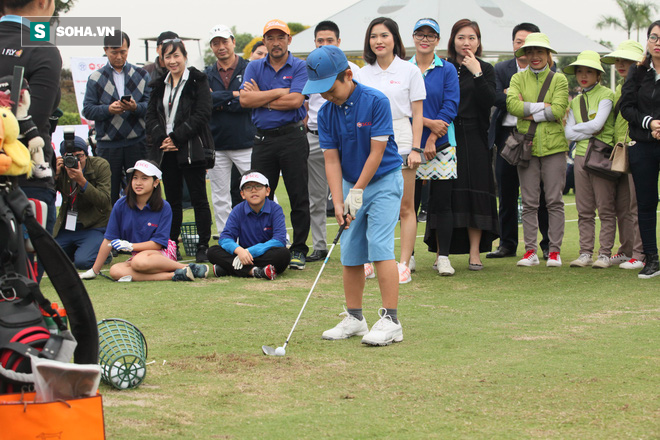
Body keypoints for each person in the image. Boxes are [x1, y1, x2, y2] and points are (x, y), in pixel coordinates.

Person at [303, 45, 404, 346]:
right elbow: (331, 159)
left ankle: (391, 321)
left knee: (379, 246)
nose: (327, 96)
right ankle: (355, 317)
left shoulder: (376, 101)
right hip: (349, 183)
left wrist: (356, 192)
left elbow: (377, 152)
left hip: (384, 180)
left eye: (331, 89)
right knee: (350, 250)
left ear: (347, 75)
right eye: (321, 92)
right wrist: (338, 200)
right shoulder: (325, 113)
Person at [355, 17, 425, 283]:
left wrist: (416, 148)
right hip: (370, 140)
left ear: (395, 38)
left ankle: (403, 263)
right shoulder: (362, 73)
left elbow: (417, 113)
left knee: (406, 206)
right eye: (374, 36)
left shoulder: (410, 71)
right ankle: (368, 260)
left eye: (384, 35)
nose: (379, 41)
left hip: (403, 138)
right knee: (366, 204)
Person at [240, 19, 311, 270]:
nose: (276, 42)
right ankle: (262, 245)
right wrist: (279, 91)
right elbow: (245, 100)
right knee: (256, 194)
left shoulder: (301, 66)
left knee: (298, 195)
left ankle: (299, 249)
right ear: (265, 41)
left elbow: (295, 101)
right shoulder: (254, 66)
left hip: (292, 137)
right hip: (263, 139)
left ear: (289, 40)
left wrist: (263, 98)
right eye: (270, 38)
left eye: (280, 37)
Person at [80, 160, 208, 281]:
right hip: (138, 256)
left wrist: (130, 246)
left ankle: (186, 268)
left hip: (160, 253)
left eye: (144, 178)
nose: (138, 182)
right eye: (135, 178)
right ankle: (174, 275)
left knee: (138, 262)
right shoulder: (120, 205)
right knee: (115, 271)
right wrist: (94, 270)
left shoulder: (164, 207)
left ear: (156, 182)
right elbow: (108, 239)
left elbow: (158, 244)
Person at [487, 22, 551, 260]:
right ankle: (507, 244)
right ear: (513, 44)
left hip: (537, 134)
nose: (524, 48)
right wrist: (525, 102)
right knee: (506, 191)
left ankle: (547, 244)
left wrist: (514, 98)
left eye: (529, 43)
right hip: (507, 136)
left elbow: (552, 104)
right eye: (519, 42)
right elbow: (495, 97)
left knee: (541, 192)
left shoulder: (549, 74)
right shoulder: (501, 68)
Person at [145, 39, 213, 263]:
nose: (172, 61)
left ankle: (203, 245)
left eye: (177, 56)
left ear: (185, 56)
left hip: (191, 148)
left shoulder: (197, 80)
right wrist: (162, 138)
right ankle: (171, 245)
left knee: (198, 199)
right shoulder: (157, 84)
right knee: (172, 200)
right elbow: (151, 116)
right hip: (165, 150)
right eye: (168, 56)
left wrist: (176, 138)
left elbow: (202, 113)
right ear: (162, 59)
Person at [506, 33, 569, 267]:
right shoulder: (517, 79)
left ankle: (554, 251)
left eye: (539, 52)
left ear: (547, 54)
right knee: (529, 201)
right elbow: (512, 106)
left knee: (554, 200)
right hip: (526, 146)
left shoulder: (559, 80)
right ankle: (530, 251)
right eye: (530, 52)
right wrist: (544, 106)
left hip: (554, 147)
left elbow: (559, 110)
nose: (534, 56)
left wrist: (528, 109)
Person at [0, 0, 61, 238]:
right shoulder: (42, 49)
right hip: (25, 177)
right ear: (43, 2)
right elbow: (32, 120)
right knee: (22, 271)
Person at [446, 19, 498, 270]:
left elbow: (490, 100)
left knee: (476, 192)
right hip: (446, 135)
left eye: (472, 38)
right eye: (461, 37)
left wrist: (477, 72)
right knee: (445, 195)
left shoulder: (486, 69)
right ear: (453, 40)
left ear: (478, 42)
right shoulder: (443, 67)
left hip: (476, 136)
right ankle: (441, 252)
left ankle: (475, 252)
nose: (466, 43)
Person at [409, 18, 459, 275]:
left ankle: (444, 257)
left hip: (441, 144)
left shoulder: (447, 68)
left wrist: (431, 137)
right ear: (414, 37)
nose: (425, 38)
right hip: (410, 144)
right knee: (409, 204)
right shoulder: (404, 68)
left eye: (431, 35)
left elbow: (451, 104)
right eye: (420, 34)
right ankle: (408, 256)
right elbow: (403, 106)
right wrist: (426, 127)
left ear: (438, 40)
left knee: (442, 204)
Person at [306, 20, 359, 263]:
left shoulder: (352, 70)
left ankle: (357, 249)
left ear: (339, 42)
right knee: (316, 197)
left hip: (346, 138)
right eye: (320, 40)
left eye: (330, 40)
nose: (325, 44)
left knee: (352, 194)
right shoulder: (311, 67)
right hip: (316, 136)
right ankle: (319, 245)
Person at [82, 31, 151, 205]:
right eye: (114, 52)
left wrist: (135, 107)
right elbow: (88, 110)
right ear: (105, 50)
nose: (119, 56)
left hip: (137, 142)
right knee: (107, 192)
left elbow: (152, 107)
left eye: (123, 51)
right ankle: (108, 230)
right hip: (107, 144)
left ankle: (140, 229)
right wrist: (108, 109)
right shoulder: (95, 78)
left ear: (128, 49)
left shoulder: (142, 75)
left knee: (140, 191)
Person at [563, 51, 616, 269]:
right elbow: (569, 134)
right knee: (584, 209)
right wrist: (588, 129)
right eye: (580, 71)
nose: (583, 75)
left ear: (598, 74)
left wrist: (581, 129)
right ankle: (585, 252)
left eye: (589, 71)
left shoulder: (607, 95)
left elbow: (598, 125)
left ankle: (604, 253)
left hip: (602, 156)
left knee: (605, 208)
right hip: (581, 157)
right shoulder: (576, 101)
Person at [619, 20, 660, 279]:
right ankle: (652, 259)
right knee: (645, 203)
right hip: (643, 145)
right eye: (654, 37)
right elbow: (627, 107)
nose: (658, 42)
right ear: (648, 42)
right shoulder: (638, 72)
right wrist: (651, 123)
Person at [205, 24, 254, 235]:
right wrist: (235, 95)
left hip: (247, 141)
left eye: (224, 41)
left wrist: (221, 101)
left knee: (259, 187)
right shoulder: (206, 73)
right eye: (216, 43)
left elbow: (250, 100)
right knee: (220, 196)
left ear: (233, 42)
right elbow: (205, 101)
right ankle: (227, 239)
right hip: (217, 144)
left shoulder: (249, 67)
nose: (221, 46)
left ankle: (277, 235)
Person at [601, 40, 646, 270]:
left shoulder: (643, 84)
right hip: (622, 149)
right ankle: (628, 249)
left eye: (626, 60)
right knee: (624, 205)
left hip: (638, 146)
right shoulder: (621, 86)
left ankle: (640, 253)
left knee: (638, 204)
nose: (620, 64)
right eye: (618, 60)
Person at [207, 171, 290, 279]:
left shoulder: (275, 209)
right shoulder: (238, 210)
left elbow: (279, 240)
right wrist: (239, 251)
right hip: (242, 254)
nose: (253, 190)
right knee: (212, 251)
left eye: (258, 186)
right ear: (242, 194)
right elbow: (225, 238)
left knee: (283, 254)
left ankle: (228, 268)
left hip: (265, 253)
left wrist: (250, 251)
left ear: (267, 191)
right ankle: (255, 271)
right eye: (248, 187)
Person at [54, 136, 111, 270]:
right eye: (69, 157)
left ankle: (104, 252)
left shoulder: (100, 165)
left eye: (79, 156)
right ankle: (82, 248)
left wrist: (82, 181)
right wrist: (55, 176)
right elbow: (48, 198)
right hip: (68, 227)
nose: (75, 161)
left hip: (94, 225)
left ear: (87, 154)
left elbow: (105, 202)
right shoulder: (60, 168)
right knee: (49, 258)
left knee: (83, 262)